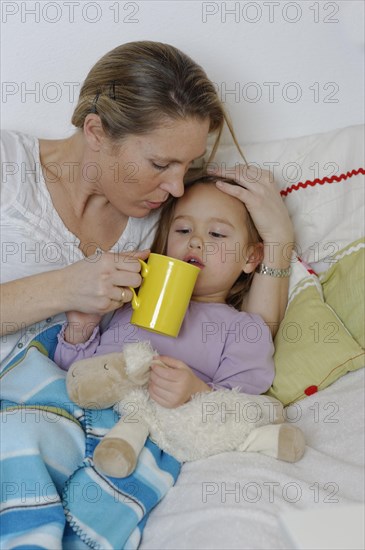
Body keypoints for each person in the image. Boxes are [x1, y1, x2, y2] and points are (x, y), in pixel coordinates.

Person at [1, 41, 294, 367]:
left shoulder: (169, 219)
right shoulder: (9, 165)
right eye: (159, 164)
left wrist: (279, 239)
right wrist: (64, 288)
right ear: (96, 131)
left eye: (187, 164)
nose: (177, 186)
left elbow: (245, 345)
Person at [55, 175, 275, 408]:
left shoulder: (244, 330)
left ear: (251, 257)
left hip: (158, 431)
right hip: (91, 418)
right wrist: (81, 327)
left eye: (217, 233)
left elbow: (243, 407)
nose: (195, 241)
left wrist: (197, 393)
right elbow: (74, 379)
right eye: (183, 230)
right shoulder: (129, 297)